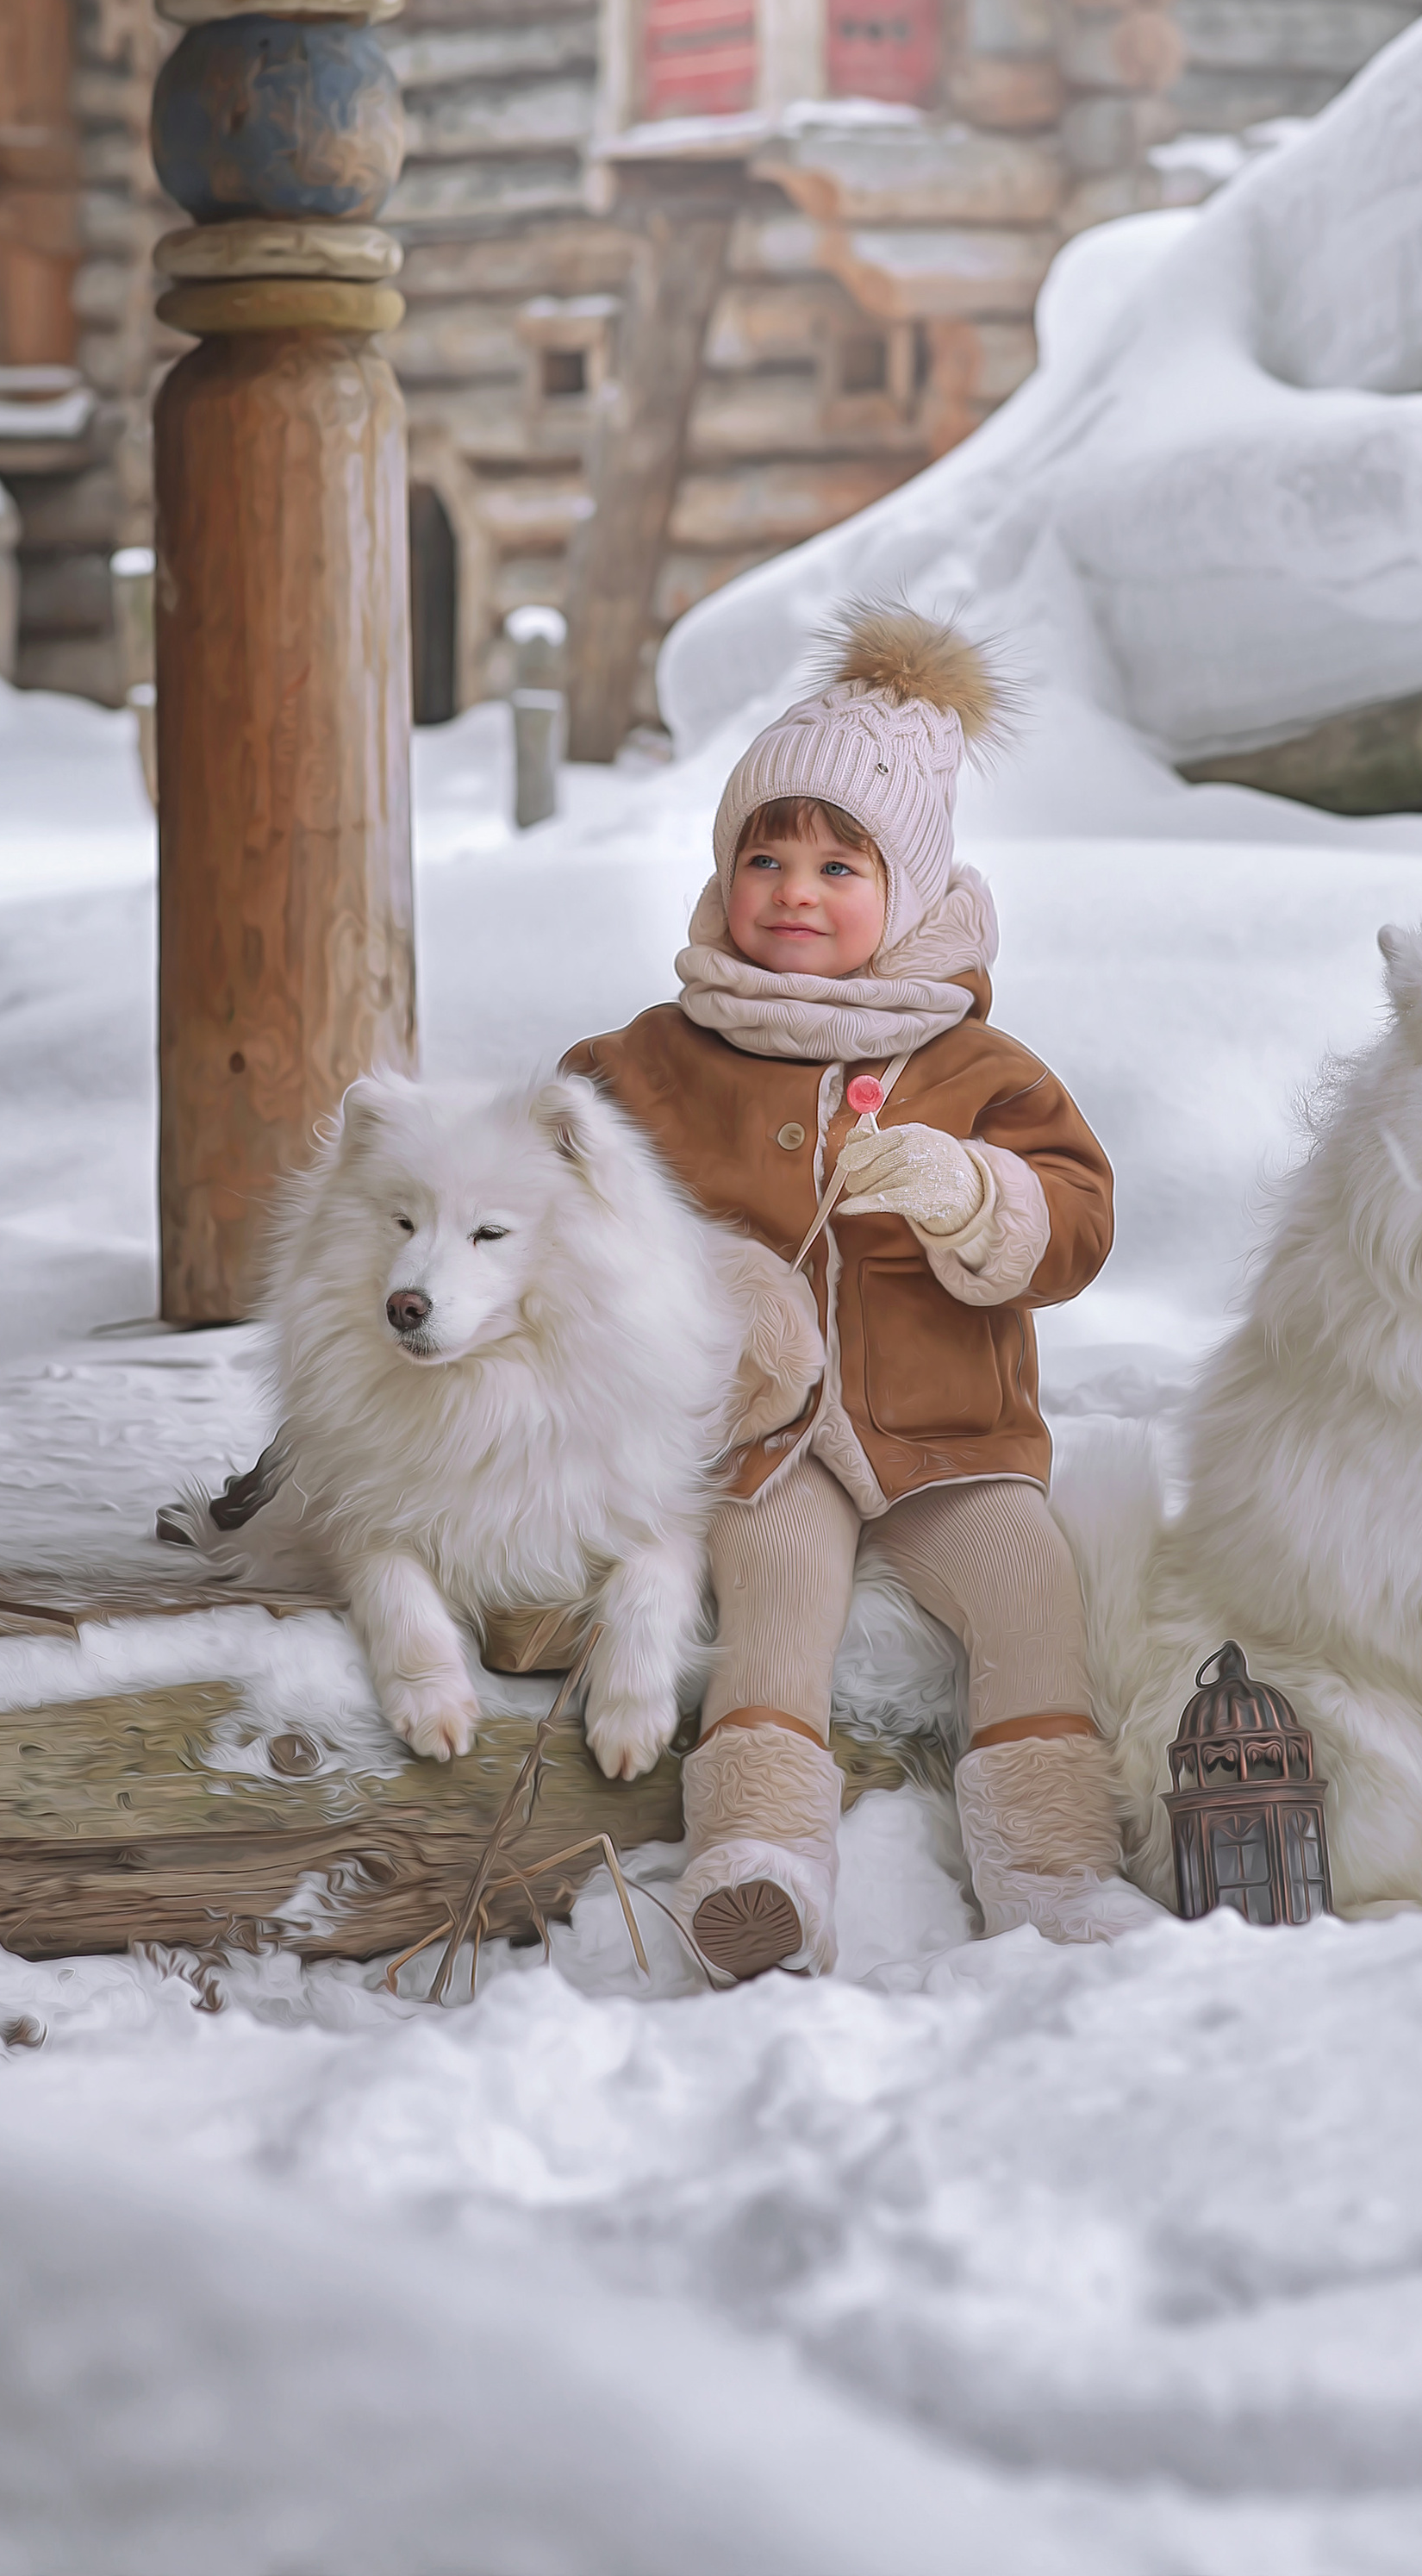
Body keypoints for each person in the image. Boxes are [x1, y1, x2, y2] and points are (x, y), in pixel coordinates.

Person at [563, 606, 1157, 1979]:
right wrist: (691, 1272)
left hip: (950, 1430)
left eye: (842, 865)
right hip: (761, 1436)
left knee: (1029, 1594)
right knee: (778, 1595)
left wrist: (972, 1196)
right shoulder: (649, 1060)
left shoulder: (975, 1064)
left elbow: (1079, 1219)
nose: (795, 890)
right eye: (764, 855)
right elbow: (560, 1203)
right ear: (723, 873)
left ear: (912, 892)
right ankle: (760, 1863)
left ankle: (1055, 1872)